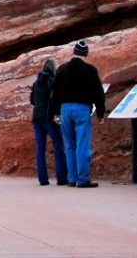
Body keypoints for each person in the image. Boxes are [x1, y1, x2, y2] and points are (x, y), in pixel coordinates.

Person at [51, 40, 106, 188]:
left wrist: (55, 113)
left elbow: (55, 94)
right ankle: (82, 179)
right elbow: (98, 93)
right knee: (82, 144)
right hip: (82, 109)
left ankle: (72, 178)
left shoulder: (62, 69)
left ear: (74, 52)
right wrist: (100, 112)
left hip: (64, 109)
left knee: (69, 145)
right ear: (86, 54)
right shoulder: (90, 70)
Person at [29, 59, 69, 187]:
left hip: (37, 118)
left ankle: (43, 179)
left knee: (40, 148)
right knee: (58, 145)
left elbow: (32, 100)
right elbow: (57, 99)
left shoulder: (36, 83)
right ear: (53, 68)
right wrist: (57, 116)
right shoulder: (52, 81)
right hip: (49, 118)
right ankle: (62, 177)